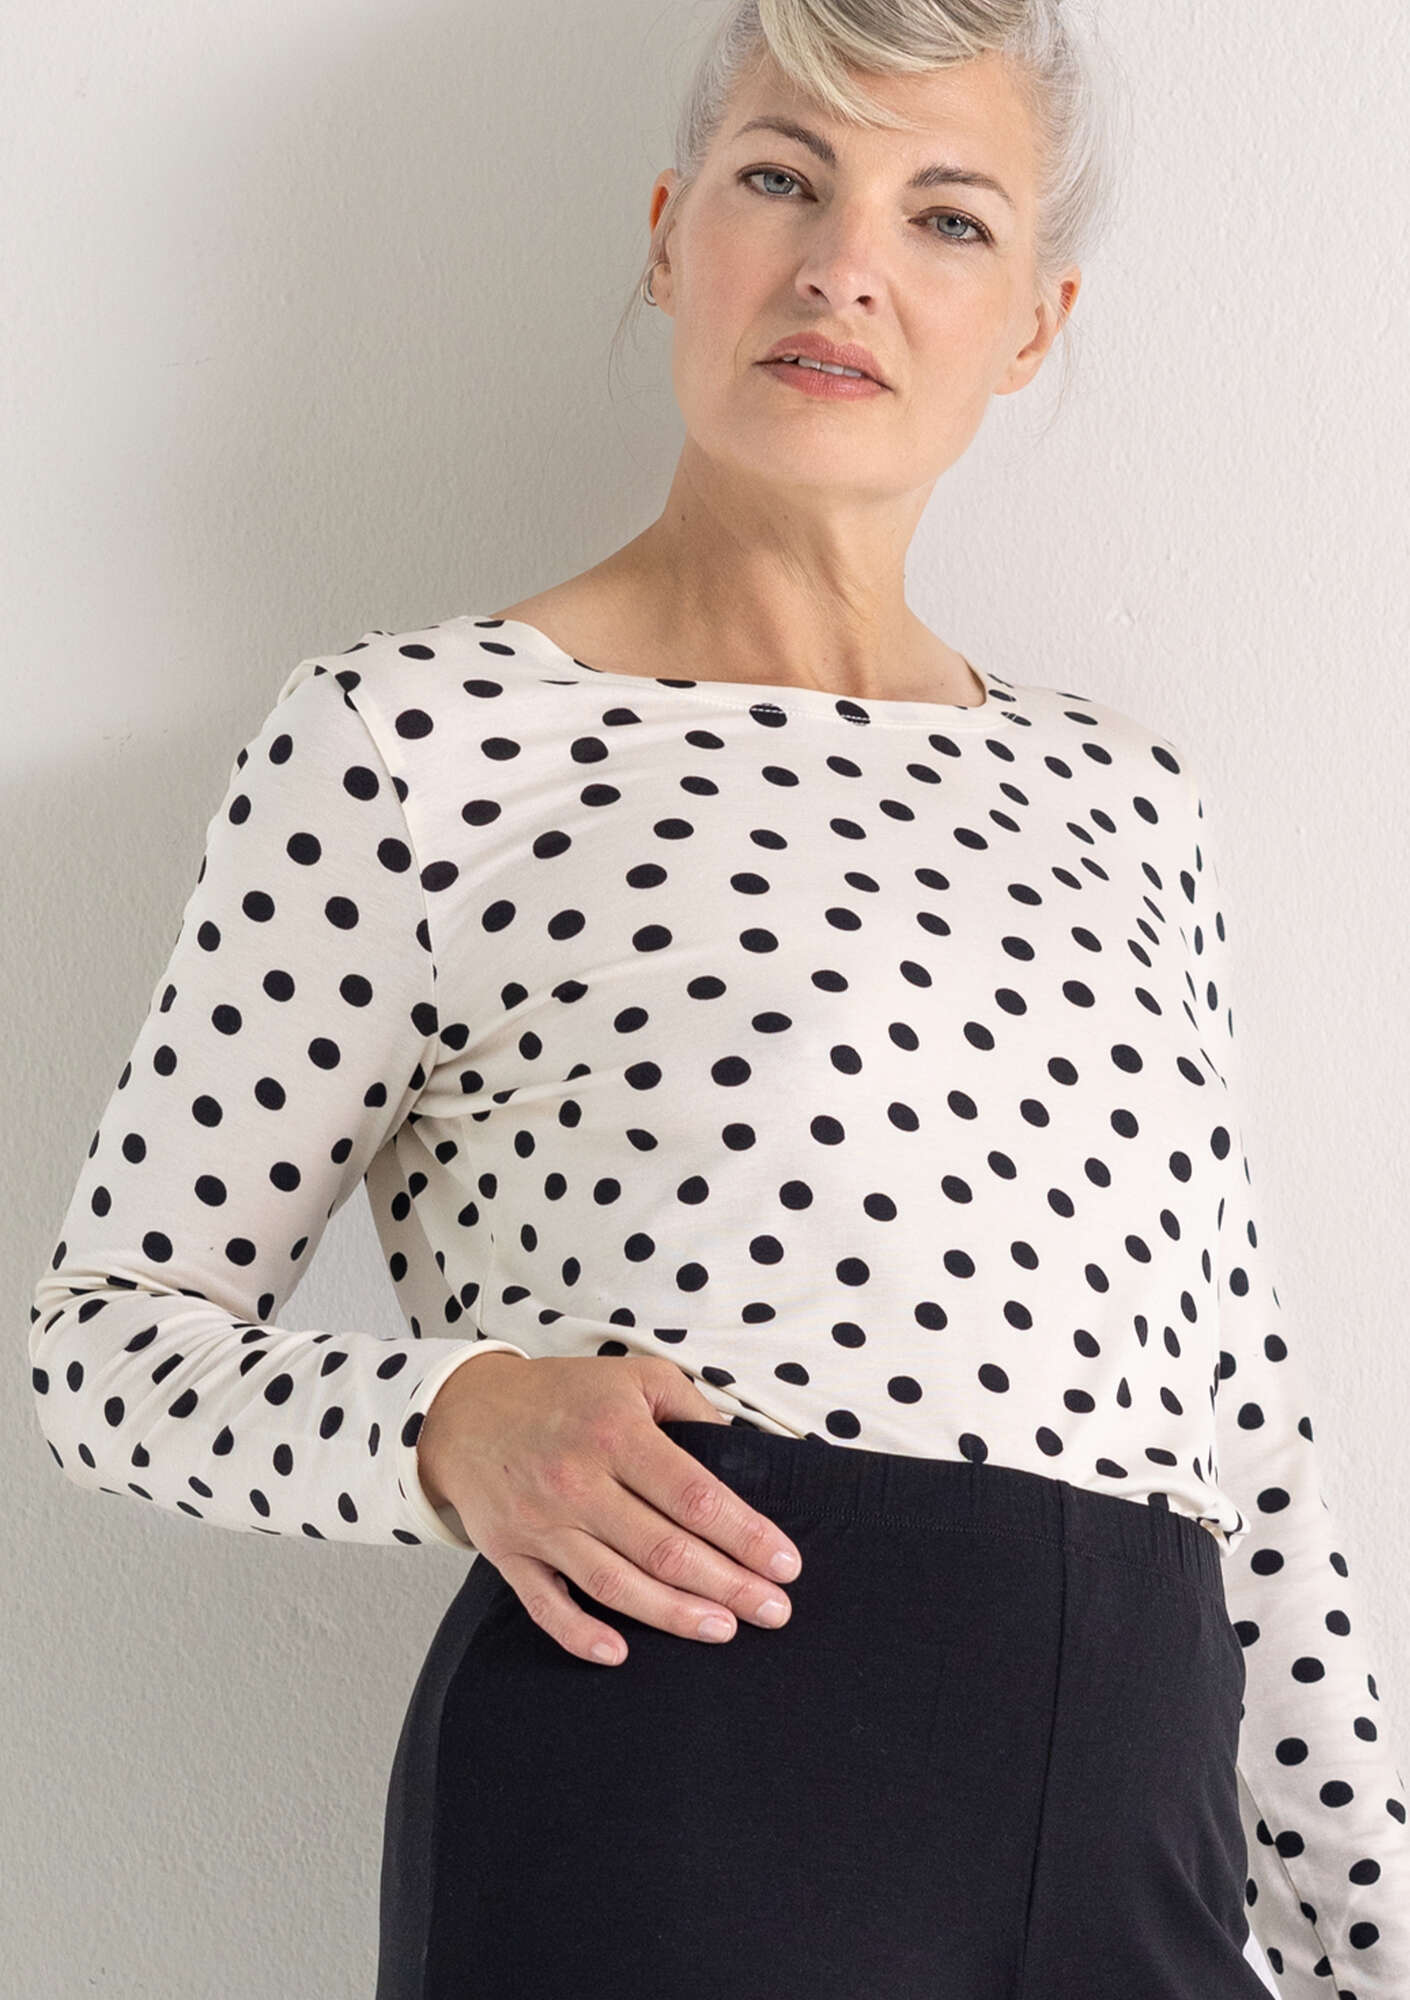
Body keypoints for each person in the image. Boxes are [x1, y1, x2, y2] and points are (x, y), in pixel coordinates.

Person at [28, 3, 1407, 1996]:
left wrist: (1368, 1941)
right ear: (673, 233)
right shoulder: (419, 743)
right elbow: (105, 1349)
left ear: (1032, 323)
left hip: (1137, 1804)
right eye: (783, 178)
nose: (845, 262)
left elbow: (1245, 1432)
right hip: (685, 1786)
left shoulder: (1128, 801)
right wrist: (450, 1420)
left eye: (946, 216)